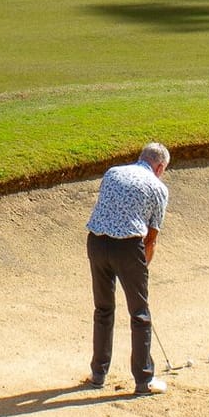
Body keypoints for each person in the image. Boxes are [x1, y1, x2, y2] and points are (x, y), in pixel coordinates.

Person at [83, 142, 171, 396]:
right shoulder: (158, 187)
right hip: (128, 248)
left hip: (96, 243)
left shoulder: (113, 172)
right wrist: (141, 269)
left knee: (103, 309)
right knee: (140, 314)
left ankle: (98, 373)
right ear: (160, 167)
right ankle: (144, 380)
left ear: (140, 157)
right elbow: (151, 239)